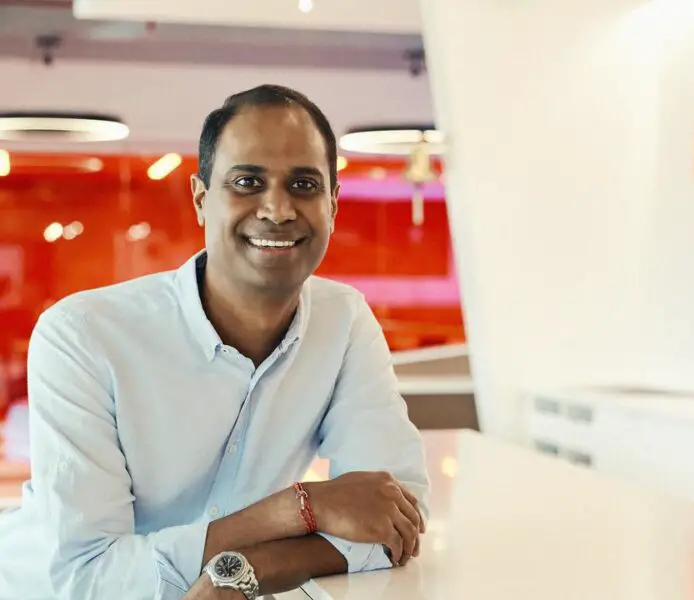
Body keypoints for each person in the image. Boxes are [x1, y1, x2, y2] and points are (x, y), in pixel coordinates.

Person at [0, 84, 430, 600]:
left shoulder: (343, 321)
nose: (277, 208)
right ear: (202, 199)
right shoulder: (84, 336)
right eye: (247, 181)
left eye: (304, 184)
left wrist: (244, 571)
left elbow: (398, 517)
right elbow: (89, 575)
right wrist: (296, 509)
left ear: (333, 205)